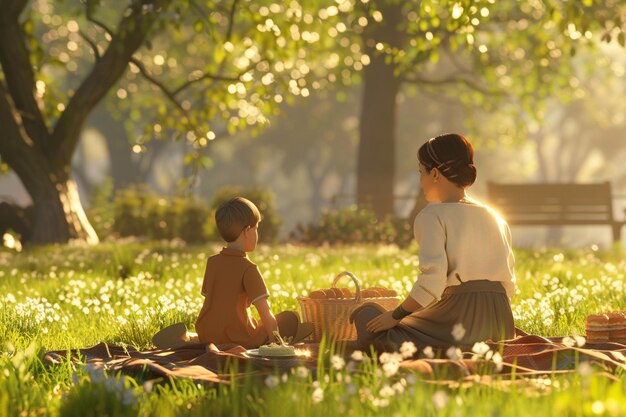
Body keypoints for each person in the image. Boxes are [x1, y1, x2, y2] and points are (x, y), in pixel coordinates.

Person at [350, 133, 516, 352]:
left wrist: (396, 315)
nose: (420, 180)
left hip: (459, 319)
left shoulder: (432, 216)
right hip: (501, 322)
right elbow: (509, 286)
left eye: (421, 172)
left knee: (373, 324)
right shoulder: (495, 216)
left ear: (435, 173)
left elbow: (432, 283)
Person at [194, 197, 312, 348]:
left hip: (207, 336)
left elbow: (213, 301)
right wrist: (276, 344)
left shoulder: (212, 263)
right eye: (256, 228)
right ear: (247, 231)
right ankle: (287, 336)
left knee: (260, 322)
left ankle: (188, 339)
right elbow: (265, 311)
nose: (257, 234)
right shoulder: (248, 269)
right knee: (286, 319)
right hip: (239, 340)